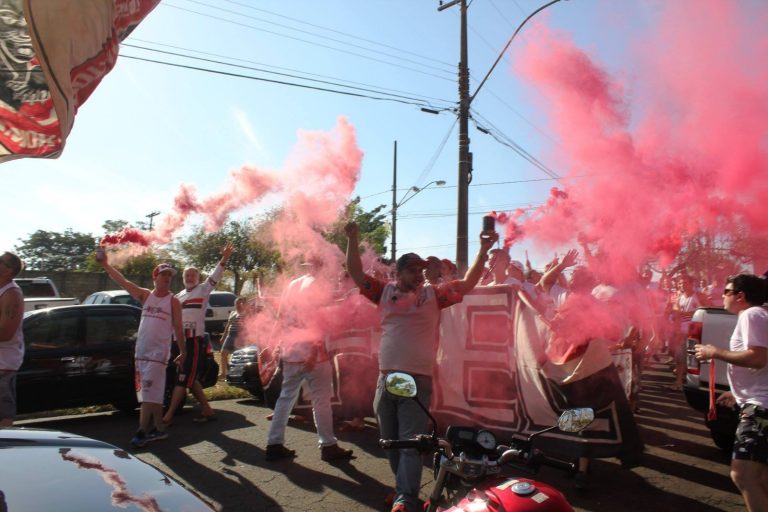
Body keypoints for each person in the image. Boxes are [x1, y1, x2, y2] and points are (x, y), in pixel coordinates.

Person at [345, 221, 498, 512]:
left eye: (421, 270)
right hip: (386, 378)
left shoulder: (433, 295)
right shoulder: (383, 291)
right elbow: (355, 272)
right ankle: (402, 488)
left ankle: (405, 498)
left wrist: (483, 249)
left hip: (416, 381)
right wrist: (353, 238)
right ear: (398, 273)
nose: (419, 274)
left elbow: (467, 284)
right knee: (390, 441)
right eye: (413, 270)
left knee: (410, 442)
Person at [265, 260, 355, 463]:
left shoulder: (292, 284)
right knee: (321, 401)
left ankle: (274, 444)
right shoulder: (319, 285)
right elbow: (318, 322)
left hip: (291, 351)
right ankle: (328, 446)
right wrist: (313, 353)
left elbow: (281, 317)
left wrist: (276, 344)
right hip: (313, 354)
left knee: (285, 398)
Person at [694, 274, 768, 512]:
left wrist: (714, 352)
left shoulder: (751, 314)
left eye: (726, 291)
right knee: (760, 477)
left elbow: (758, 358)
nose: (722, 296)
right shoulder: (757, 315)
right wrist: (736, 394)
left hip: (760, 408)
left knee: (743, 475)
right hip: (758, 403)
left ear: (740, 296)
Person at [98, 254, 185, 448]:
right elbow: (123, 281)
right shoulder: (146, 295)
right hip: (141, 353)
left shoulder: (173, 301)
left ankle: (142, 431)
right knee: (152, 394)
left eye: (169, 275)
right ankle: (159, 429)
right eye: (163, 274)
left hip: (158, 355)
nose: (167, 278)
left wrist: (183, 351)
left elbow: (179, 328)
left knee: (147, 394)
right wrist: (105, 264)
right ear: (155, 277)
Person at [163, 243, 233, 425]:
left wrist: (224, 258)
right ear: (183, 278)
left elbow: (215, 275)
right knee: (189, 377)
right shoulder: (177, 296)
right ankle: (207, 409)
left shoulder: (203, 289)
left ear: (198, 277)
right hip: (178, 341)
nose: (190, 277)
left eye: (193, 275)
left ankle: (168, 416)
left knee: (183, 378)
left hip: (193, 341)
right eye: (187, 275)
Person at [0, 252, 25, 426]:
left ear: (9, 270)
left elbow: (6, 333)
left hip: (3, 364)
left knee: (3, 415)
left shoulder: (12, 294)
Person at [219, 296, 248, 381]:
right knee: (223, 353)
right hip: (230, 335)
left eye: (240, 303)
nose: (238, 305)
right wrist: (223, 337)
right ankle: (223, 373)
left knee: (238, 355)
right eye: (236, 303)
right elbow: (228, 326)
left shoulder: (246, 313)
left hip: (240, 336)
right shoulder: (233, 313)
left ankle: (237, 374)